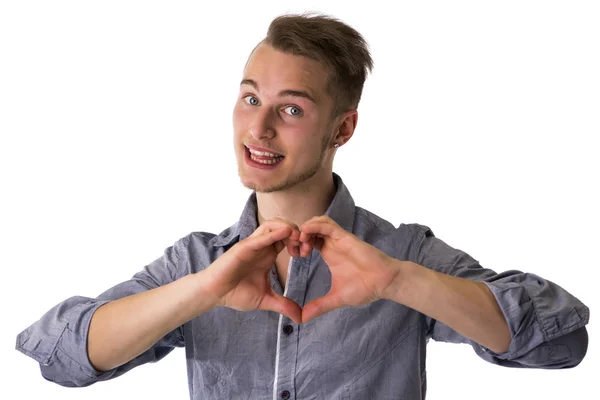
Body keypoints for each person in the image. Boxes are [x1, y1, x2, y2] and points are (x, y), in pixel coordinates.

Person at [15, 13, 589, 400]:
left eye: (291, 109)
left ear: (343, 128)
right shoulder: (198, 264)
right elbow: (61, 356)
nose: (258, 127)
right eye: (249, 98)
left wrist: (400, 282)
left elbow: (560, 342)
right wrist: (203, 291)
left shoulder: (401, 255)